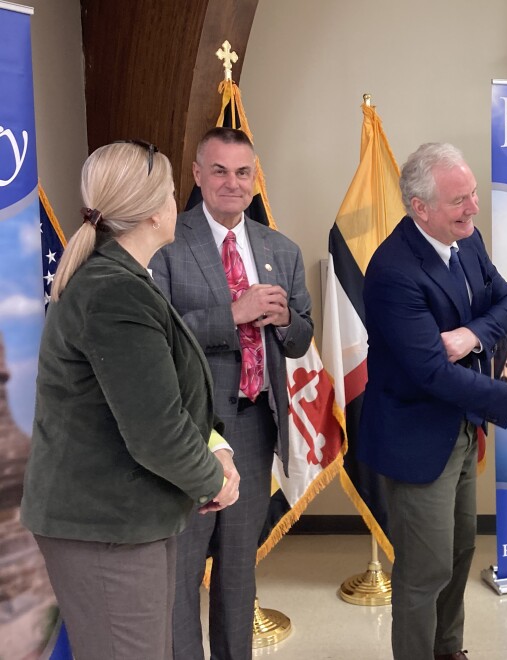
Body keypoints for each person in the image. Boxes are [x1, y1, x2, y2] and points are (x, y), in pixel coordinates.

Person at [20, 141, 240, 660]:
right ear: (151, 211)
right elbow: (156, 429)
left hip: (130, 517)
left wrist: (216, 448)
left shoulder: (123, 279)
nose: (176, 201)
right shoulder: (114, 291)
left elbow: (168, 397)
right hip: (106, 527)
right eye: (169, 190)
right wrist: (215, 481)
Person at [359, 142, 507, 660]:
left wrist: (471, 336)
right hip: (416, 439)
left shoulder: (465, 240)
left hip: (463, 427)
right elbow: (430, 371)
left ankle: (450, 651)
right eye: (459, 200)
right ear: (419, 207)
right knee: (424, 570)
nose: (473, 207)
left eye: (472, 194)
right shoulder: (392, 272)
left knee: (459, 552)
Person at [149, 127, 314, 660]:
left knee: (240, 571)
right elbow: (156, 336)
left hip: (253, 425)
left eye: (243, 173)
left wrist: (287, 318)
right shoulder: (168, 244)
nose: (232, 183)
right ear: (196, 175)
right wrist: (233, 315)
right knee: (184, 569)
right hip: (192, 430)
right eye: (218, 171)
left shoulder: (279, 249)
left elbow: (301, 337)